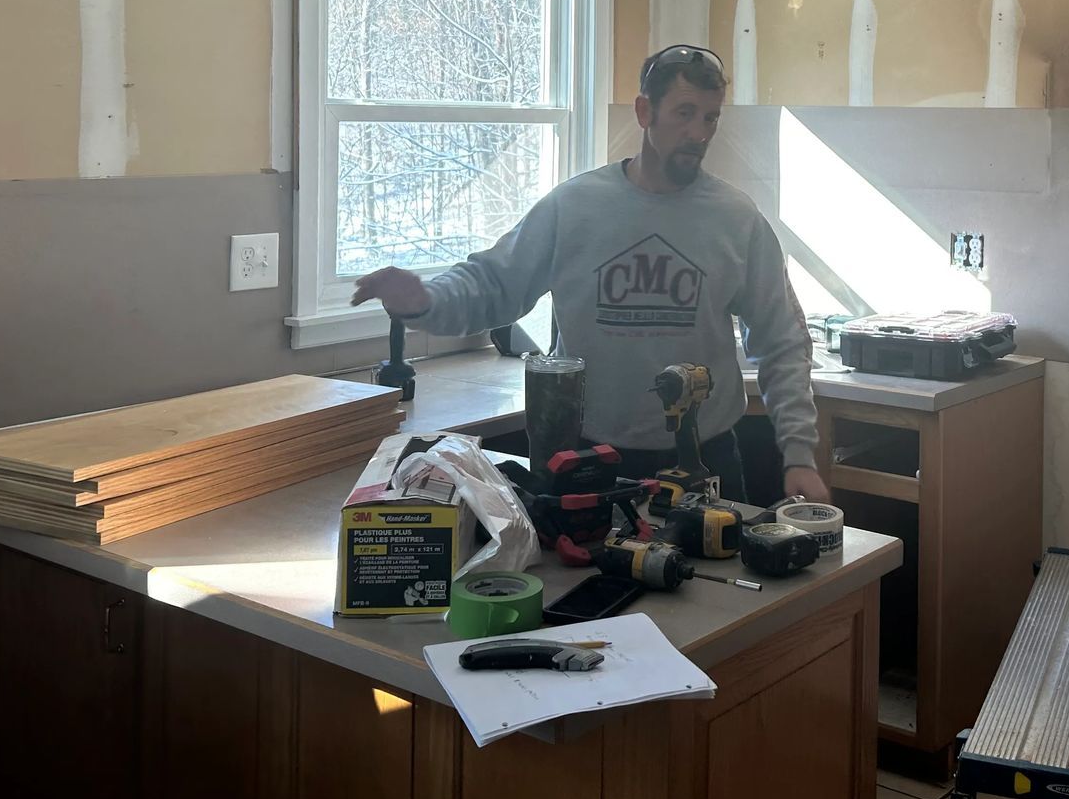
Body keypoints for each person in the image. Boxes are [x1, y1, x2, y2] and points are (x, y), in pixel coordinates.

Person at [351, 44, 831, 505]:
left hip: (705, 459)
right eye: (684, 113)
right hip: (589, 455)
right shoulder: (575, 207)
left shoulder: (737, 219)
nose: (699, 133)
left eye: (710, 117)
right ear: (645, 112)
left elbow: (783, 339)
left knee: (714, 587)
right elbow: (496, 283)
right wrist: (426, 300)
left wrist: (799, 453)